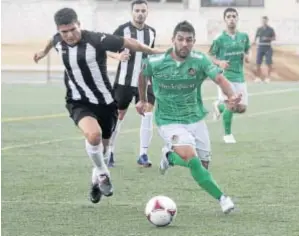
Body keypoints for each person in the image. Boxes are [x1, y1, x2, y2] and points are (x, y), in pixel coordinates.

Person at [33, 8, 161, 204]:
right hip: (78, 101)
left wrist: (154, 51)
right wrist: (43, 52)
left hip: (106, 103)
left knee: (105, 149)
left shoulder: (96, 39)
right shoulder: (59, 40)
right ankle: (102, 172)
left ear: (79, 25)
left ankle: (95, 180)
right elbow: (52, 40)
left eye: (72, 29)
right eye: (63, 31)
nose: (68, 35)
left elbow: (130, 43)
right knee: (94, 135)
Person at [136, 21, 241, 213]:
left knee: (203, 166)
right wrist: (142, 100)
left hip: (195, 118)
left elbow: (219, 78)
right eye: (181, 39)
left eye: (189, 40)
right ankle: (223, 198)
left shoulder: (200, 60)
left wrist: (232, 95)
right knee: (192, 159)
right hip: (169, 121)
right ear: (173, 40)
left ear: (193, 42)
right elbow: (142, 76)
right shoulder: (156, 62)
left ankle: (170, 157)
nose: (185, 43)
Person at [106, 0, 156, 168]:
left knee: (147, 113)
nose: (140, 13)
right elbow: (105, 48)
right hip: (124, 82)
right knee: (119, 116)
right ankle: (110, 151)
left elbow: (150, 55)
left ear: (147, 12)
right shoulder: (122, 30)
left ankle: (143, 154)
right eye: (137, 10)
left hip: (146, 81)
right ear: (132, 12)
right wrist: (118, 57)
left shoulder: (152, 32)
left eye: (143, 10)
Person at [209, 7, 251, 144]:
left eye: (234, 16)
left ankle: (218, 106)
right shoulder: (219, 39)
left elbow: (247, 49)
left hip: (240, 76)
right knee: (231, 106)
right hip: (225, 77)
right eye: (229, 16)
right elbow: (210, 55)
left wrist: (248, 56)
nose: (231, 19)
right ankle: (227, 135)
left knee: (242, 108)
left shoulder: (243, 37)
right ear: (225, 20)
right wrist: (219, 62)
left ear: (237, 19)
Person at [253, 16, 276, 83]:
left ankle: (268, 78)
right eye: (263, 21)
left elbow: (274, 38)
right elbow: (256, 37)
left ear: (267, 21)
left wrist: (267, 39)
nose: (264, 22)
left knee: (269, 63)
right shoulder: (259, 29)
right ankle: (258, 77)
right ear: (261, 21)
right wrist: (254, 42)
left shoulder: (271, 29)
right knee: (258, 63)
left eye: (265, 20)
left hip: (268, 47)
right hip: (260, 47)